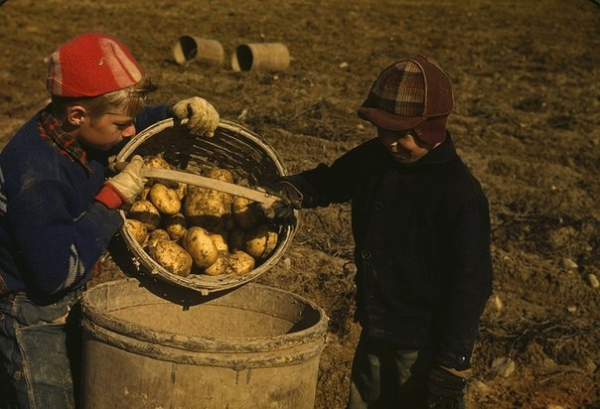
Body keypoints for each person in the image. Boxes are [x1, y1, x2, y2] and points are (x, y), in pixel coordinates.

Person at [0, 32, 220, 408]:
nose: (131, 132)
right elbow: (55, 275)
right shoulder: (37, 173)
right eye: (123, 125)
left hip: (65, 296)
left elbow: (119, 124)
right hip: (30, 310)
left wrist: (172, 113)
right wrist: (111, 200)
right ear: (77, 115)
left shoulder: (78, 131)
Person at [264, 55, 493, 408]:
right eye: (382, 131)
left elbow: (472, 284)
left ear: (430, 130)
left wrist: (452, 366)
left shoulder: (458, 194)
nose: (390, 143)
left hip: (423, 345)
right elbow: (332, 180)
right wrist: (296, 189)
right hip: (376, 328)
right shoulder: (376, 159)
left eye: (401, 135)